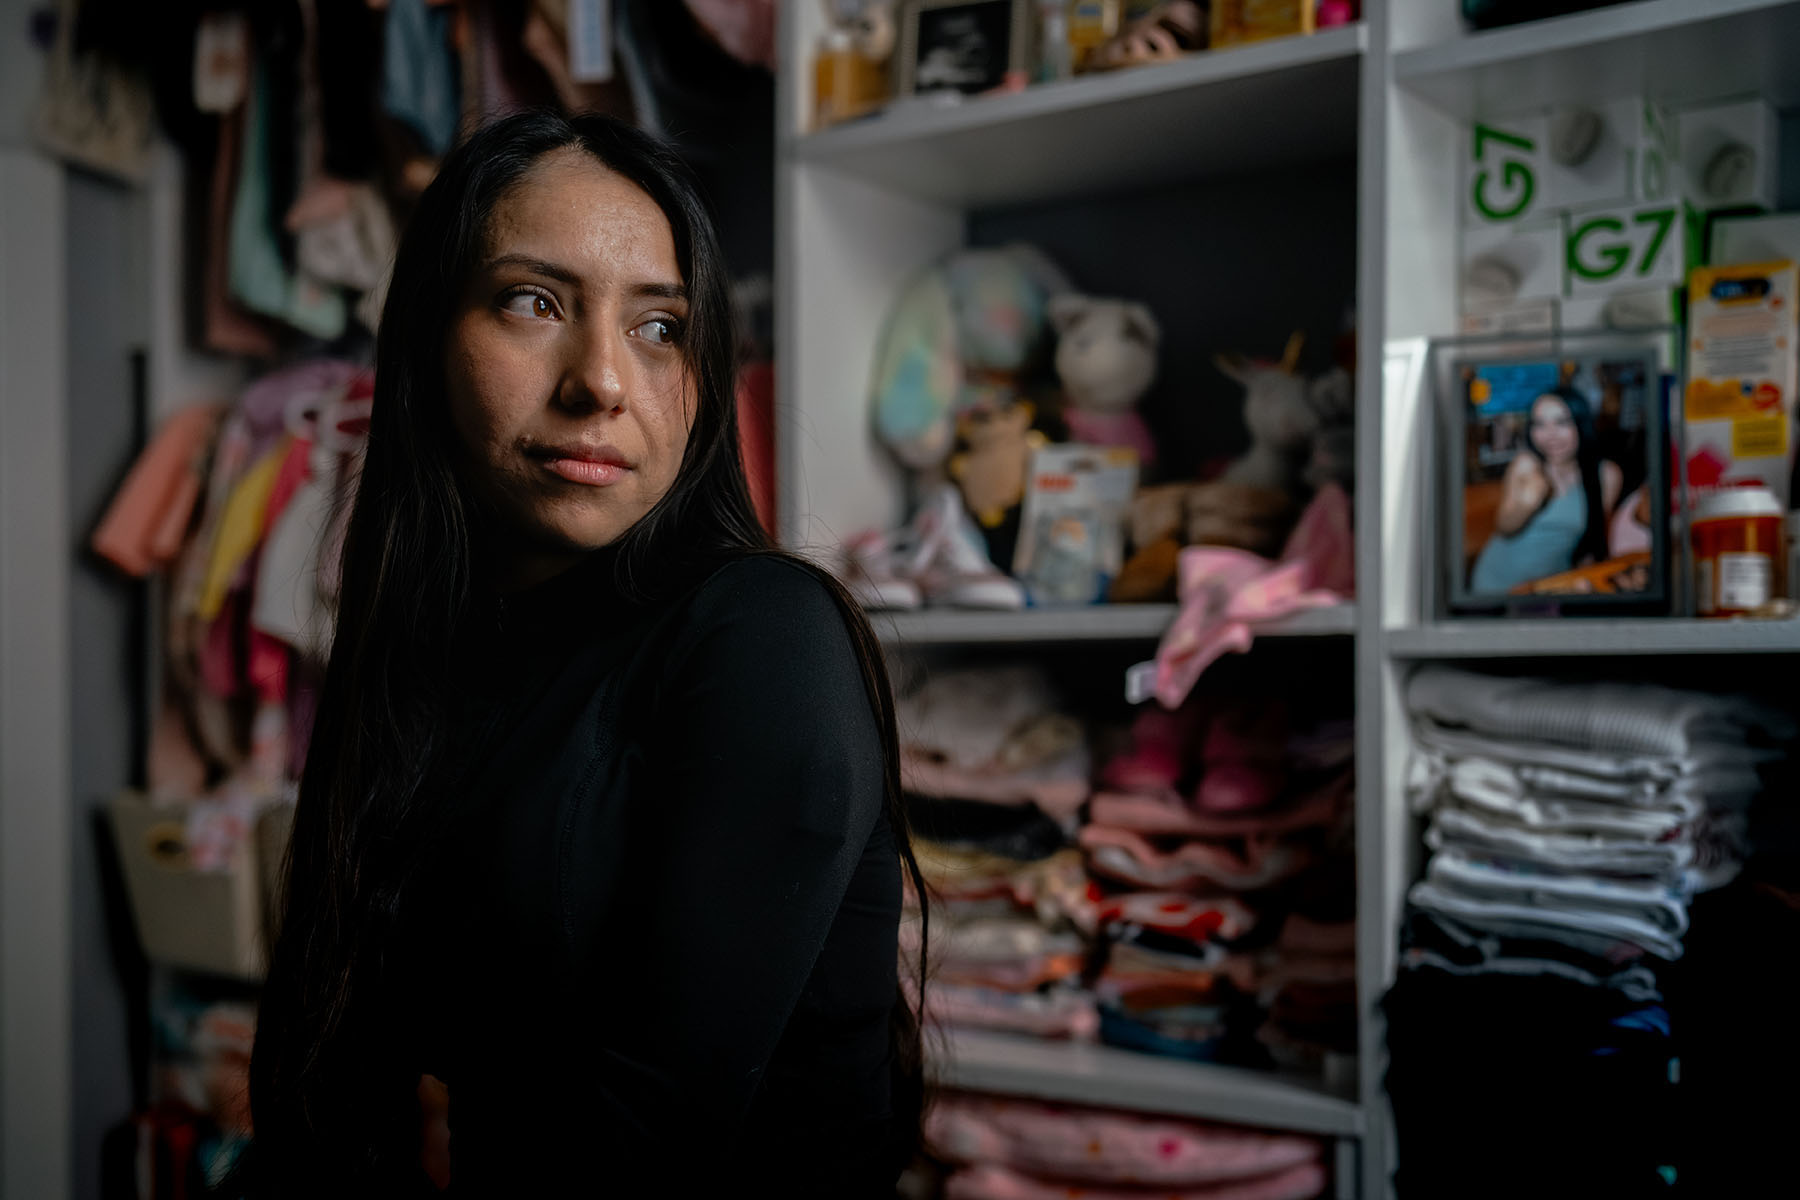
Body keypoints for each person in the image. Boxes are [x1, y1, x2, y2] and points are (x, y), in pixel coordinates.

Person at [236, 110, 927, 1197]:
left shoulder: (764, 635)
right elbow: (328, 1099)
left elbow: (637, 1160)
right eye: (535, 302)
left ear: (701, 380)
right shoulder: (427, 668)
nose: (601, 380)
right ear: (428, 340)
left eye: (659, 327)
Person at [1470, 386, 1621, 596]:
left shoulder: (1607, 475)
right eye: (1540, 424)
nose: (1550, 435)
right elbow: (1504, 526)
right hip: (1497, 585)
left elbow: (1594, 539)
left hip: (1549, 588)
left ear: (1581, 422)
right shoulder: (1526, 464)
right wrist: (1526, 504)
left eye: (1561, 422)